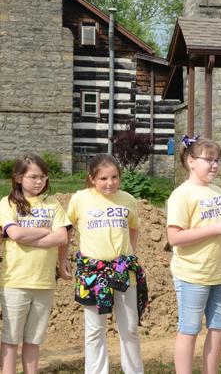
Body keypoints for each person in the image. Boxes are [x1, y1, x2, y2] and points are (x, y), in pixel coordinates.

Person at [167, 136, 221, 374]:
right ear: (191, 162)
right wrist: (216, 229)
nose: (215, 165)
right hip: (193, 274)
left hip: (219, 273)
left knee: (219, 327)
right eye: (208, 160)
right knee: (189, 330)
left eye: (217, 160)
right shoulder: (182, 194)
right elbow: (174, 238)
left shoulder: (218, 191)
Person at [67, 154, 147, 374]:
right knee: (95, 330)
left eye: (114, 177)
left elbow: (133, 228)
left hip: (123, 273)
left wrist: (130, 253)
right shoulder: (80, 199)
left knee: (129, 328)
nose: (110, 183)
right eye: (103, 178)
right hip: (93, 274)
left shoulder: (128, 200)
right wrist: (64, 257)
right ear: (92, 178)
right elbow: (67, 228)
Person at [0, 154, 71, 374]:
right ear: (19, 178)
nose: (39, 181)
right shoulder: (8, 203)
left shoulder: (52, 204)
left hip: (43, 283)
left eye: (43, 177)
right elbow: (15, 232)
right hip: (15, 282)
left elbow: (61, 238)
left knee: (33, 340)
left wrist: (27, 236)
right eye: (33, 177)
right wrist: (43, 231)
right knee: (11, 341)